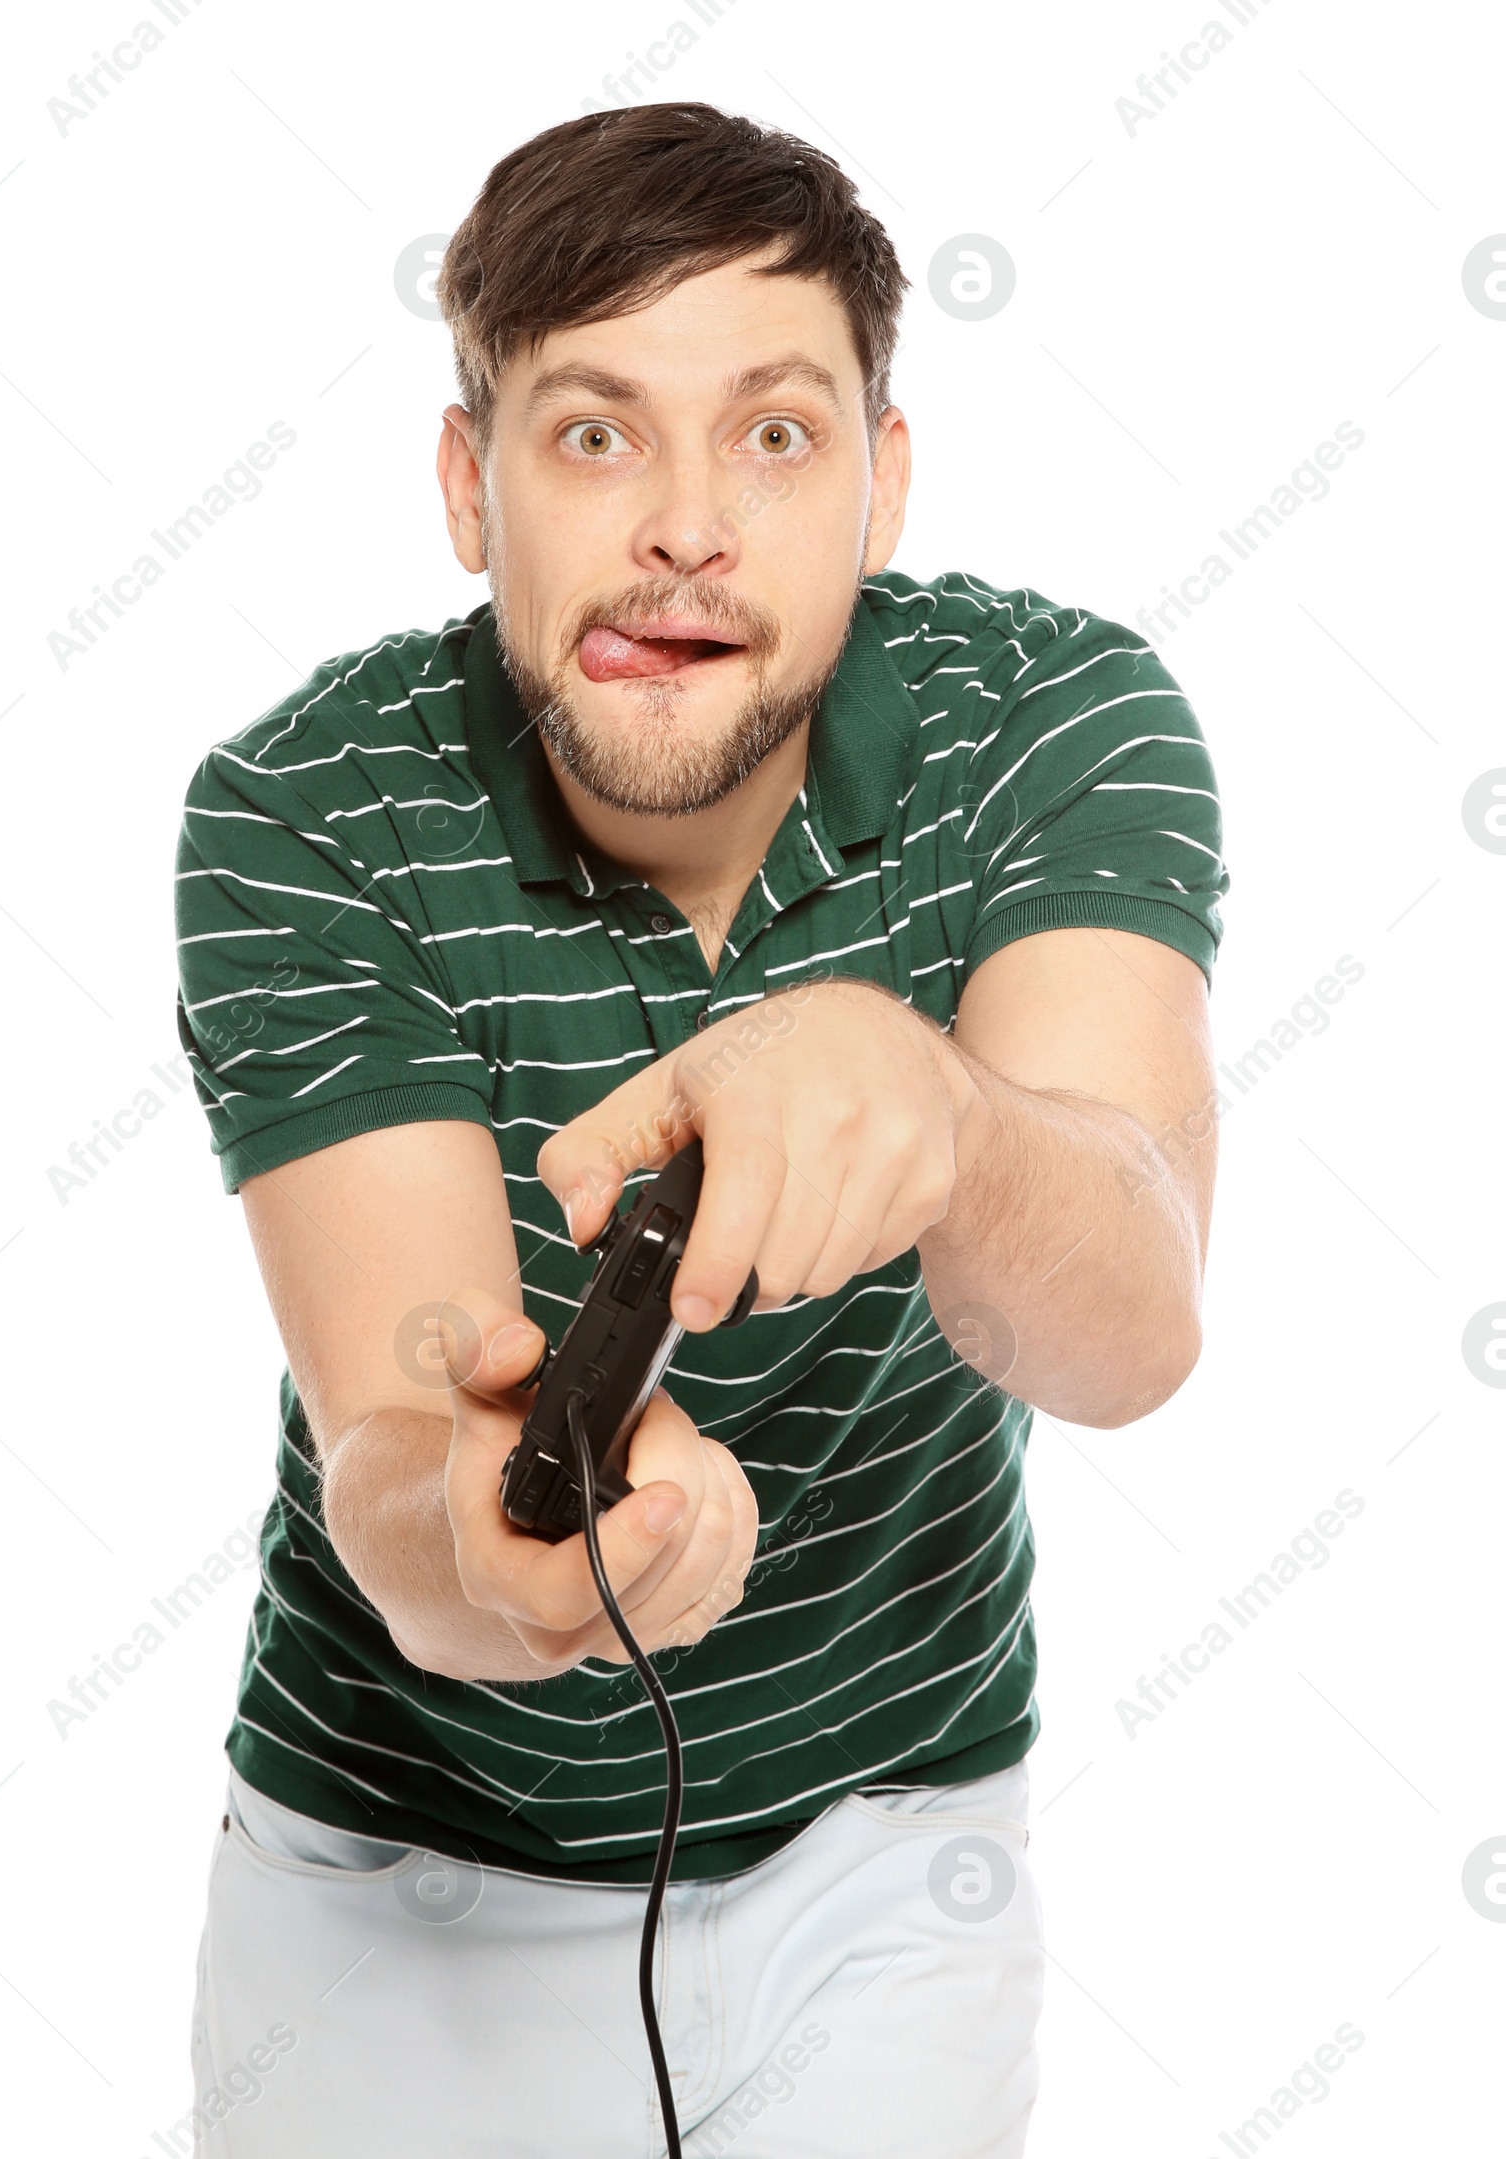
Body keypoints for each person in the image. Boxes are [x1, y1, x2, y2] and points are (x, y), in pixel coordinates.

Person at [174, 100, 1225, 2159]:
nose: (682, 527)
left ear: (878, 484)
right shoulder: (301, 814)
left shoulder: (1055, 722)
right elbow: (394, 1450)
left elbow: (1126, 1336)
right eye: (589, 433)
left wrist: (938, 1113)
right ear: (469, 487)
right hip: (403, 1885)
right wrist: (505, 1557)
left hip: (889, 1844)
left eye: (770, 432)